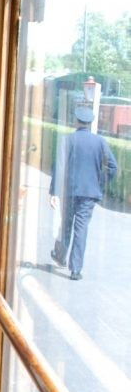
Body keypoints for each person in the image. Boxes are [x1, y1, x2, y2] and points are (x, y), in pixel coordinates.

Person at [49, 104, 118, 280]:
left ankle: (60, 256)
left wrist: (54, 192)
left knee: (66, 225)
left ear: (76, 121)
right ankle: (76, 269)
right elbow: (112, 167)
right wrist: (99, 182)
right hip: (89, 194)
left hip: (69, 191)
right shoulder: (100, 142)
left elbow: (60, 167)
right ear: (90, 123)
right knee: (81, 229)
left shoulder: (67, 140)